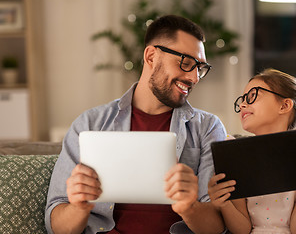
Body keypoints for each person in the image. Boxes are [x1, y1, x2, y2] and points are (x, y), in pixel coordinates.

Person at [45, 15, 227, 234]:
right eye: (186, 63)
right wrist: (79, 207)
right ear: (151, 56)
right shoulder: (89, 124)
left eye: (200, 68)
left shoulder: (208, 128)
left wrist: (189, 207)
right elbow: (56, 227)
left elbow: (217, 228)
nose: (194, 77)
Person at [208, 68, 296, 234]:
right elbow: (242, 229)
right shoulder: (235, 154)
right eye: (242, 100)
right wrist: (224, 203)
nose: (243, 104)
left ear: (285, 105)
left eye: (252, 96)